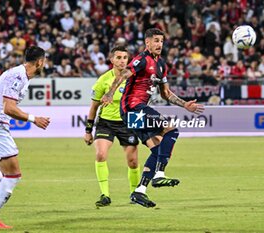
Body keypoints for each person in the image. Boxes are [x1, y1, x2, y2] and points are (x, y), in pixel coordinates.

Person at [101, 28, 204, 208]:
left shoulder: (161, 64)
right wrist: (110, 93)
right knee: (171, 130)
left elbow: (166, 94)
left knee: (157, 151)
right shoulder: (141, 60)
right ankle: (159, 175)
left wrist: (185, 104)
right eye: (155, 40)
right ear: (147, 42)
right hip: (133, 108)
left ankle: (139, 191)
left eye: (161, 41)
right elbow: (125, 74)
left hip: (138, 111)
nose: (159, 44)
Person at [0, 46, 50, 229]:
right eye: (44, 61)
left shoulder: (21, 75)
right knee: (13, 174)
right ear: (39, 62)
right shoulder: (18, 76)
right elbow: (9, 108)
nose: (44, 64)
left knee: (2, 175)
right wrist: (34, 119)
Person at [83, 46, 140, 207]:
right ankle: (105, 195)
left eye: (124, 58)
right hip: (106, 123)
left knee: (133, 162)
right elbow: (93, 107)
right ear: (112, 60)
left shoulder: (133, 78)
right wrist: (88, 131)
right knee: (101, 154)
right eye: (119, 57)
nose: (122, 61)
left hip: (127, 123)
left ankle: (135, 194)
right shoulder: (103, 80)